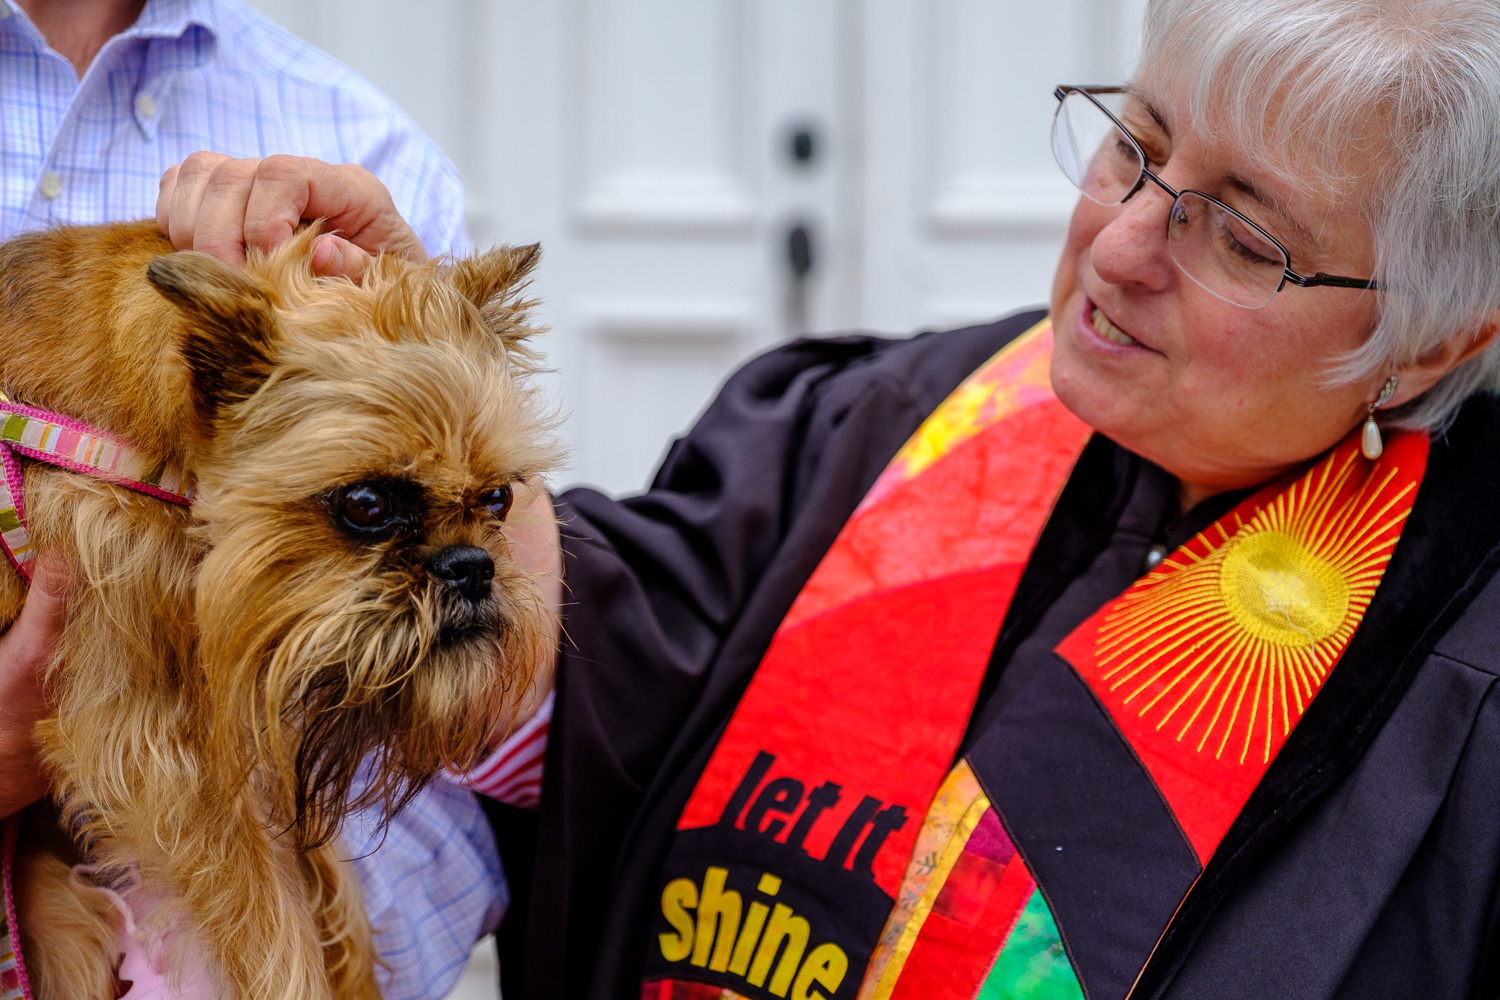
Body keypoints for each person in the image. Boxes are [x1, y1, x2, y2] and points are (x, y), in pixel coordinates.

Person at [22, 0, 1500, 996]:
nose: (1120, 246)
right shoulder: (877, 425)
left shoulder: (1468, 693)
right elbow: (611, 670)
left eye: (1241, 233)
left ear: (1438, 338)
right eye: (1133, 146)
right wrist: (403, 380)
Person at [0, 2, 506, 998]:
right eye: (368, 507)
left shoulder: (362, 137)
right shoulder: (114, 512)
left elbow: (496, 701)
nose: (461, 550)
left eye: (486, 499)